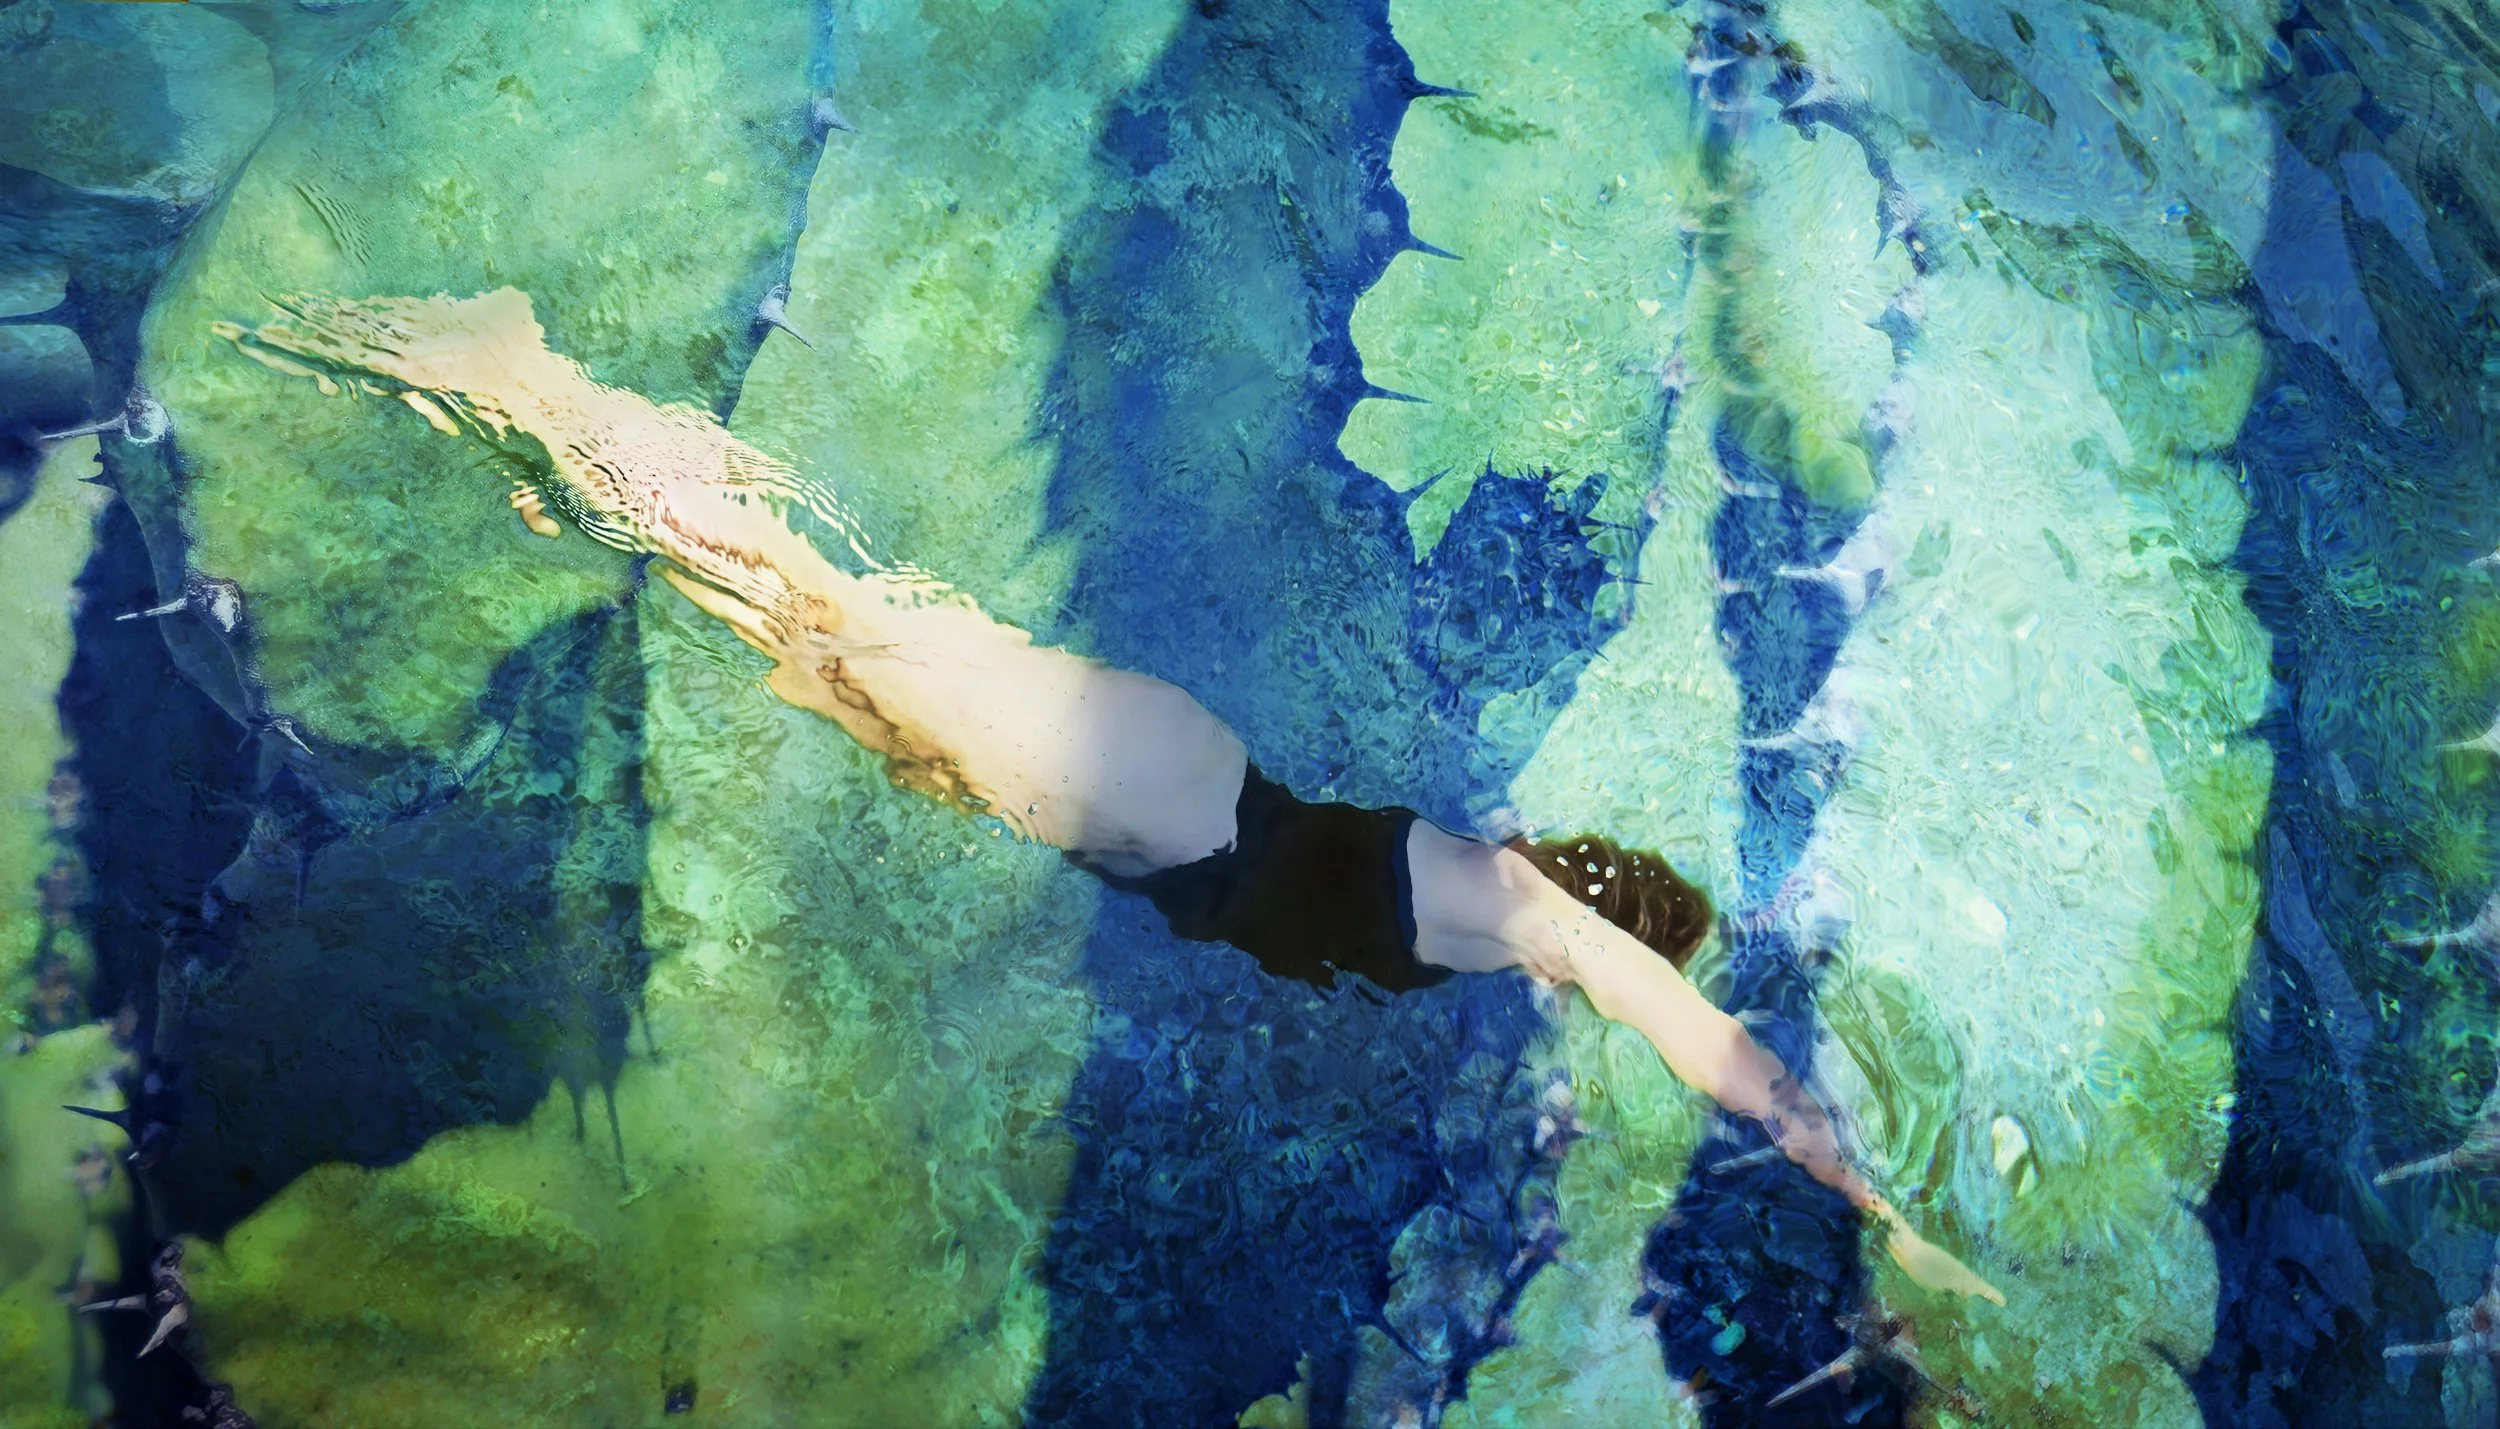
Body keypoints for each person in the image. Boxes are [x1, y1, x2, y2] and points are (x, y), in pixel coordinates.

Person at [215, 287, 2003, 1305]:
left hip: (1138, 799)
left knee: (793, 618)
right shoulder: (1518, 917)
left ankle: (539, 423)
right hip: (1150, 786)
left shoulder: (1486, 915)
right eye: (1622, 962)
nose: (1607, 989)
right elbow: (1708, 1047)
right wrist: (1878, 1206)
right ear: (1601, 924)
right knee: (805, 589)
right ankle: (519, 368)